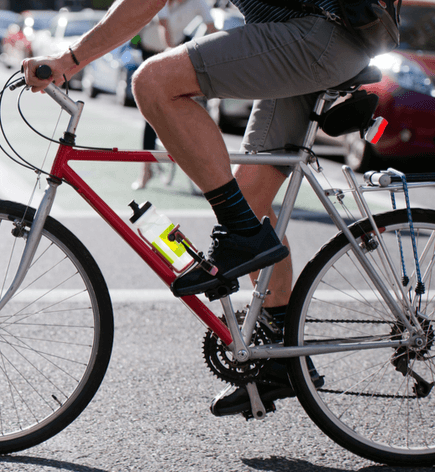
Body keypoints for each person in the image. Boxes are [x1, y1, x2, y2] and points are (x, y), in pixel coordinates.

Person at [23, 0, 372, 417]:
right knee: (251, 200)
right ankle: (283, 357)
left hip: (319, 34)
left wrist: (68, 60)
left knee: (153, 82)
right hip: (317, 35)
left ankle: (241, 233)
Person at [132, 0, 217, 190]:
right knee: (150, 113)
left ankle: (199, 170)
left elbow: (212, 28)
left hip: (174, 54)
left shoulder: (198, 3)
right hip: (151, 54)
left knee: (182, 108)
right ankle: (146, 170)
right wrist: (167, 58)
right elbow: (165, 29)